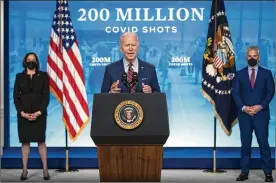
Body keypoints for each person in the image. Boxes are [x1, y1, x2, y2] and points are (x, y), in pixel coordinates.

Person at [232, 46, 275, 182]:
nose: (252, 58)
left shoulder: (267, 73)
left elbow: (270, 92)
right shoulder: (239, 74)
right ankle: (244, 173)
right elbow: (236, 93)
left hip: (261, 115)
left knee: (263, 144)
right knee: (245, 145)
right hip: (245, 115)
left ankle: (268, 173)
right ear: (246, 57)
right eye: (249, 56)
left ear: (259, 57)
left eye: (254, 56)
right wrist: (244, 108)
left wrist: (260, 106)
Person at [13, 52, 50, 181]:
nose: (31, 61)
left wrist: (39, 112)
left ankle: (45, 170)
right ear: (25, 62)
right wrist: (22, 113)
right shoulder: (19, 77)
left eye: (33, 59)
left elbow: (46, 97)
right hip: (23, 115)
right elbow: (16, 97)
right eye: (29, 59)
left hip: (39, 114)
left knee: (41, 141)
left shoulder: (43, 76)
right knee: (25, 142)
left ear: (36, 62)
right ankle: (24, 171)